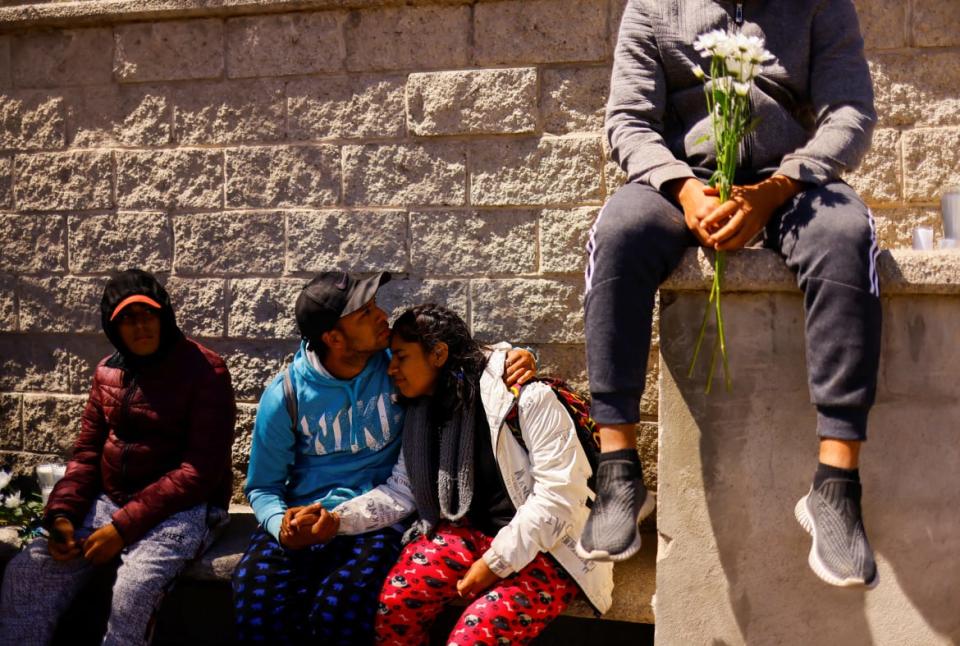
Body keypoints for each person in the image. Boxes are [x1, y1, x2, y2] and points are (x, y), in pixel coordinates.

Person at [579, 0, 881, 587]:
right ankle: (617, 469)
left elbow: (850, 112)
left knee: (849, 233)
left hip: (791, 183)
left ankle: (836, 484)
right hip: (679, 184)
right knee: (616, 232)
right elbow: (629, 122)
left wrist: (776, 187)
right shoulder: (652, 7)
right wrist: (685, 190)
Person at [232, 272, 535, 644]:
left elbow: (458, 354)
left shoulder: (398, 362)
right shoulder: (287, 395)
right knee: (257, 600)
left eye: (375, 305)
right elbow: (263, 487)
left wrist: (515, 356)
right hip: (303, 518)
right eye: (365, 313)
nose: (383, 316)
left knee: (341, 606)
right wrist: (282, 527)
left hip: (382, 517)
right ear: (333, 338)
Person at [330, 304, 614, 646]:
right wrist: (335, 520)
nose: (391, 369)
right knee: (396, 606)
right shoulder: (426, 410)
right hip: (472, 534)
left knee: (475, 637)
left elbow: (558, 500)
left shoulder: (528, 399)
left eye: (401, 357)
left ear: (438, 354)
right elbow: (402, 490)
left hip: (554, 547)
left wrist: (495, 563)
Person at [0, 269, 237, 645]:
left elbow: (199, 471)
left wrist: (123, 528)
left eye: (148, 315)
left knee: (134, 590)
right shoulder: (108, 372)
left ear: (165, 316)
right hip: (110, 502)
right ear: (112, 327)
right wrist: (62, 515)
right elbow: (87, 454)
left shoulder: (205, 371)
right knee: (27, 574)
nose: (140, 327)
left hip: (183, 509)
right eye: (127, 319)